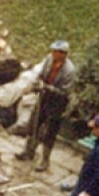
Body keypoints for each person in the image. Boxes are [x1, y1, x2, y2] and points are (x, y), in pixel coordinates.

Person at [16, 39, 76, 171]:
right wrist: (38, 82)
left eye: (56, 52)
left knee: (49, 132)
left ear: (63, 54)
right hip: (44, 98)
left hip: (58, 103)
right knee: (34, 123)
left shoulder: (69, 71)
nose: (53, 54)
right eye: (53, 51)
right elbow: (42, 74)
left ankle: (45, 160)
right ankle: (28, 151)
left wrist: (48, 87)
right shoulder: (49, 59)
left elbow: (64, 92)